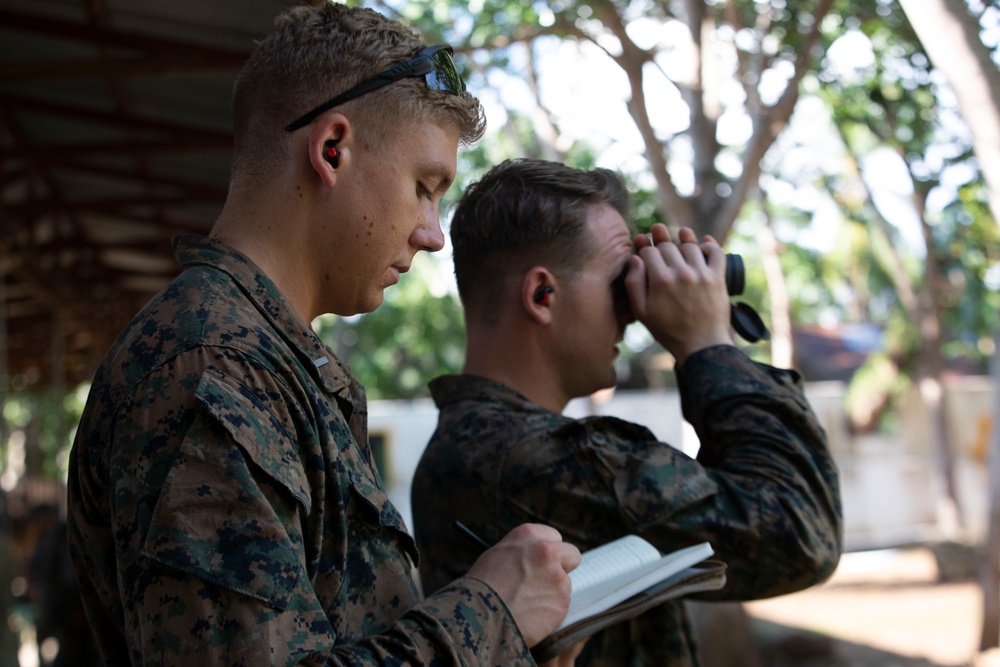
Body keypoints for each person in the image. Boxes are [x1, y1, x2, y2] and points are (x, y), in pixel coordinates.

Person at [66, 7, 582, 666]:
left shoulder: (266, 359)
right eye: (423, 187)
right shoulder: (213, 368)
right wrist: (491, 610)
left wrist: (509, 642)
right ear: (331, 148)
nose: (432, 232)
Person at [411, 158, 844, 666]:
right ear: (542, 295)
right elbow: (799, 536)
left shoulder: (481, 445)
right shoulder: (533, 458)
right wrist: (708, 345)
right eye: (621, 282)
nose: (635, 311)